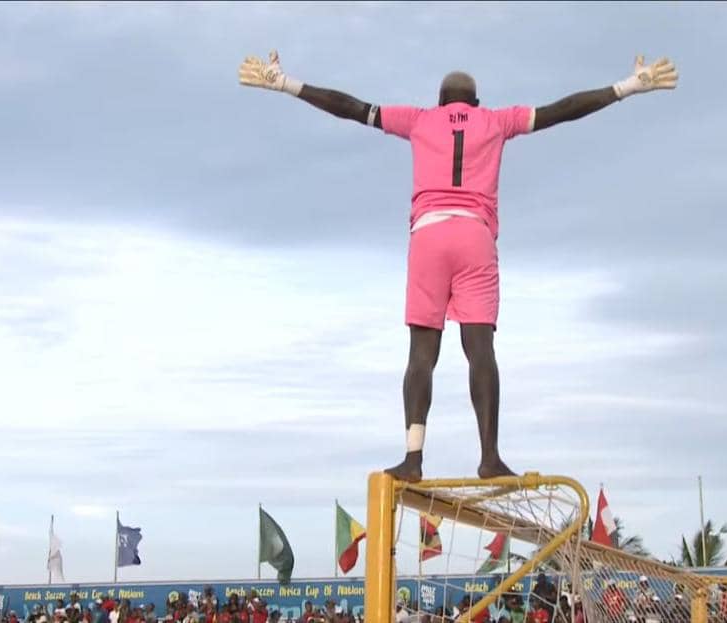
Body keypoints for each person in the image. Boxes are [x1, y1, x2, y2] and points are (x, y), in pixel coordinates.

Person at [239, 50, 678, 481]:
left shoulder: (418, 119)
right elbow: (562, 111)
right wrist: (626, 87)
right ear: (476, 103)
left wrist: (287, 84)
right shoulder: (497, 121)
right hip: (475, 238)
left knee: (421, 355)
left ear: (439, 100)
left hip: (428, 236)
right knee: (480, 351)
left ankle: (413, 458)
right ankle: (489, 457)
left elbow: (351, 108)